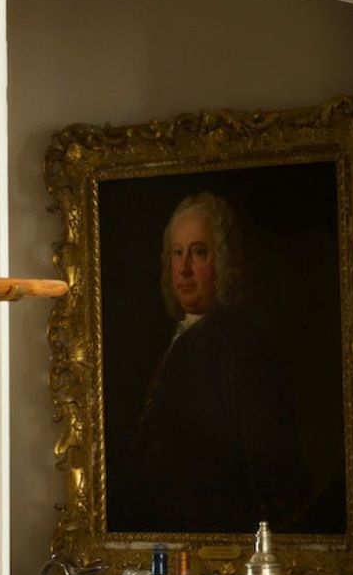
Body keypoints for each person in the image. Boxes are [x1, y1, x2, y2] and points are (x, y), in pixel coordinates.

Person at [117, 191, 307, 533]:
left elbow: (260, 468)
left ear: (223, 262)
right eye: (178, 253)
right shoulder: (185, 333)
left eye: (199, 253)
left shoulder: (236, 342)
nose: (185, 268)